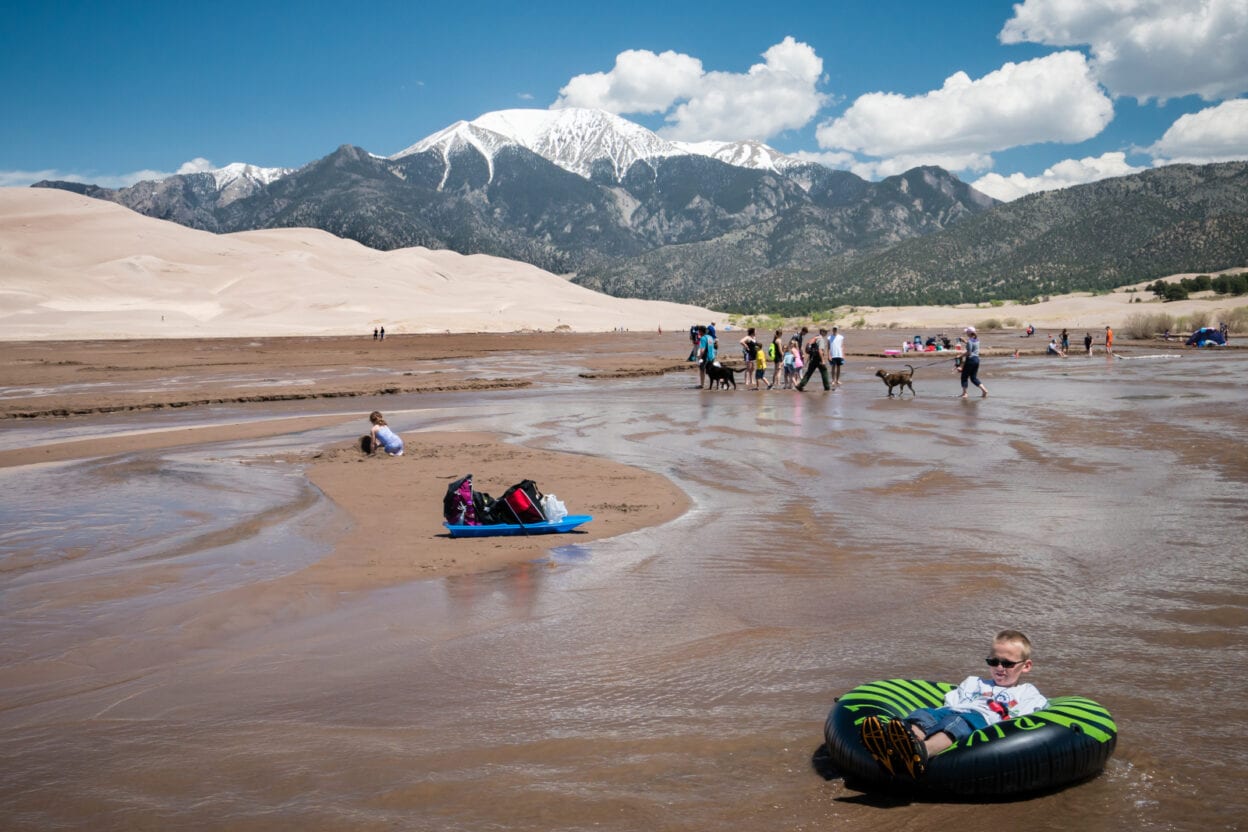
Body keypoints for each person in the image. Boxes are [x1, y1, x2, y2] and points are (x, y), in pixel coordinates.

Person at [858, 629, 1047, 780]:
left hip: (982, 718)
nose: (999, 668)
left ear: (1026, 666)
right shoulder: (974, 682)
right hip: (954, 710)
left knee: (958, 722)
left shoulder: (1027, 692)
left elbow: (1031, 716)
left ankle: (923, 751)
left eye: (1007, 663)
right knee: (926, 714)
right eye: (993, 661)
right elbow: (951, 702)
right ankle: (900, 742)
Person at [796, 327, 830, 392]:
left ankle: (800, 385)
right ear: (822, 332)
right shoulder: (821, 339)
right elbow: (820, 350)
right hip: (818, 358)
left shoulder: (816, 337)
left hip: (813, 358)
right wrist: (823, 360)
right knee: (824, 371)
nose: (826, 333)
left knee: (809, 372)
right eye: (825, 332)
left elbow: (809, 346)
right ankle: (827, 388)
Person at [960, 326, 987, 398]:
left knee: (964, 377)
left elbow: (969, 352)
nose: (966, 334)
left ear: (969, 333)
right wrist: (965, 341)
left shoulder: (970, 341)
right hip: (977, 360)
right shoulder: (977, 340)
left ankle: (965, 393)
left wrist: (960, 356)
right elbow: (972, 346)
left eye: (966, 332)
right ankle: (984, 390)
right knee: (973, 378)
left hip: (970, 360)